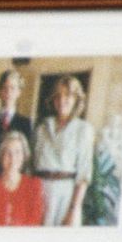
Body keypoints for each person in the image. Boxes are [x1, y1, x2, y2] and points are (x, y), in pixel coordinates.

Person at [32, 75, 95, 226]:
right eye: (57, 96)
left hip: (66, 195)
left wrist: (73, 209)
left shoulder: (83, 129)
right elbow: (32, 165)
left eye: (67, 95)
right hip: (39, 192)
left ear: (76, 100)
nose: (61, 100)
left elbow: (84, 175)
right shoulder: (42, 128)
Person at [0, 130, 45, 227]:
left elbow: (34, 223)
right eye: (7, 152)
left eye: (17, 152)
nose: (12, 158)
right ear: (0, 156)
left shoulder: (34, 186)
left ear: (24, 156)